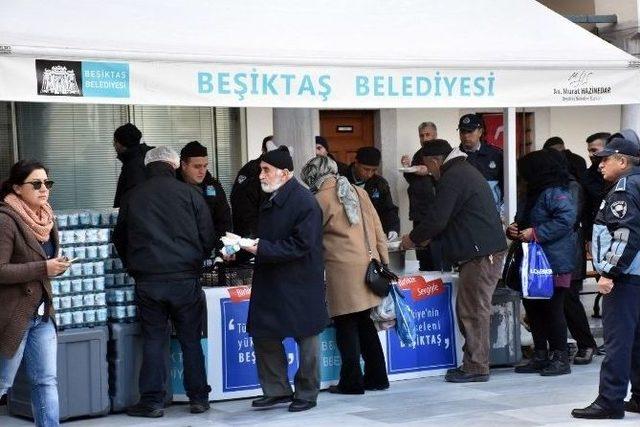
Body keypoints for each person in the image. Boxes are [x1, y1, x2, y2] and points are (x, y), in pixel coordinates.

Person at [112, 147, 215, 418]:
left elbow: (119, 239)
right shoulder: (191, 194)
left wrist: (134, 266)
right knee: (190, 340)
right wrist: (194, 262)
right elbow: (208, 237)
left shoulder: (133, 197)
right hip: (185, 279)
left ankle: (152, 401)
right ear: (174, 165)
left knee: (154, 340)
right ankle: (199, 398)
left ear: (148, 166)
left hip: (148, 280)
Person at [400, 139, 507, 383]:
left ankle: (476, 367)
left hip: (481, 254)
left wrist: (412, 239)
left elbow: (438, 218)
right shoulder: (461, 170)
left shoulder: (453, 176)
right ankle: (474, 363)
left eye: (426, 165)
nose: (427, 171)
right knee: (470, 308)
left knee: (473, 310)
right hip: (480, 250)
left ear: (435, 161)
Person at [240, 147, 328, 412]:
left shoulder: (304, 202)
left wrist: (261, 248)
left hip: (299, 281)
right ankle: (276, 389)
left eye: (266, 170)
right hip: (272, 278)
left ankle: (307, 392)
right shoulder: (271, 197)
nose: (261, 175)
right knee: (263, 332)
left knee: (307, 336)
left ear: (285, 173)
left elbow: (301, 245)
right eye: (261, 170)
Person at [301, 156, 389, 395]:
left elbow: (310, 239)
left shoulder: (318, 200)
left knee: (346, 324)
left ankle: (351, 382)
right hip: (368, 266)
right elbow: (378, 229)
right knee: (364, 321)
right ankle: (378, 377)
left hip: (341, 269)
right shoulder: (358, 192)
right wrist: (384, 262)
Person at [572, 137, 640, 420]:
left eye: (606, 159)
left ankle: (610, 400)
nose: (600, 165)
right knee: (636, 340)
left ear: (622, 161)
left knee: (618, 342)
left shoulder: (624, 189)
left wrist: (610, 272)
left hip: (625, 278)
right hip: (637, 275)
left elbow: (625, 234)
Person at [0, 160, 71, 427]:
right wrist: (43, 267)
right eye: (36, 184)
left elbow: (44, 265)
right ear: (18, 188)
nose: (44, 189)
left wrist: (56, 267)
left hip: (42, 314)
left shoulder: (46, 217)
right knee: (3, 382)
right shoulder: (6, 220)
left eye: (47, 183)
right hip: (13, 316)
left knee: (46, 381)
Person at [507, 149, 576, 377]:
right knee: (533, 308)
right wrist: (514, 229)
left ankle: (560, 357)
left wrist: (536, 233)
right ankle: (540, 355)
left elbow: (565, 220)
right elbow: (523, 220)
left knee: (553, 309)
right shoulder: (532, 191)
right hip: (530, 262)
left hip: (553, 261)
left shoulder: (556, 191)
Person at [400, 122, 446, 271]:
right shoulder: (418, 154)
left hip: (434, 212)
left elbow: (445, 178)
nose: (425, 138)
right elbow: (413, 180)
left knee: (437, 255)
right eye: (422, 135)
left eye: (428, 134)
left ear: (435, 135)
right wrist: (408, 168)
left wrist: (429, 171)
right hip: (418, 212)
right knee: (423, 256)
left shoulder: (442, 152)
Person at [177, 140, 232, 240]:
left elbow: (224, 221)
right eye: (197, 166)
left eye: (205, 166)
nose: (202, 171)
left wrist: (222, 247)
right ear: (184, 165)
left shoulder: (213, 187)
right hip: (178, 249)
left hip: (207, 249)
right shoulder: (172, 186)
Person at [345, 146, 400, 239]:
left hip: (371, 232)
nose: (369, 174)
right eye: (366, 169)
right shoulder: (341, 179)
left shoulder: (380, 183)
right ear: (356, 163)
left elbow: (388, 209)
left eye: (374, 170)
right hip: (347, 233)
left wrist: (393, 228)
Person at [230, 135, 275, 239]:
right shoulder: (253, 171)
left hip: (254, 233)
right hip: (253, 235)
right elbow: (242, 205)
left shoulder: (262, 169)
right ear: (264, 150)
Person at [457, 113, 503, 212]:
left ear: (480, 132)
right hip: (464, 212)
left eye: (470, 131)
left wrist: (503, 211)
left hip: (492, 211)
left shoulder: (496, 154)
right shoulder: (454, 157)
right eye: (462, 131)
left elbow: (506, 184)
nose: (466, 136)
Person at [112, 123, 154, 208]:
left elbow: (135, 198)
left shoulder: (134, 165)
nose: (114, 145)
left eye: (115, 141)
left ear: (122, 143)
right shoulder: (145, 157)